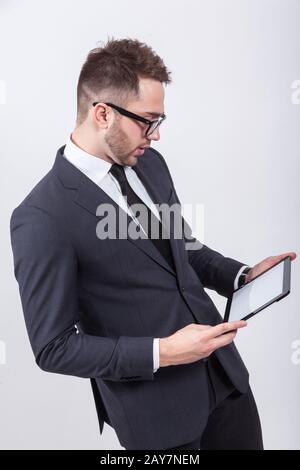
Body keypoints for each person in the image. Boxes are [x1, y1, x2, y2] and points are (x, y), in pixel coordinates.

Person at [10, 38, 296, 450]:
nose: (156, 136)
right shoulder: (41, 217)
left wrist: (241, 276)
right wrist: (164, 352)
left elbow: (180, 247)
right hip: (157, 418)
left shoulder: (149, 164)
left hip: (226, 382)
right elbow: (54, 348)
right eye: (148, 121)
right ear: (102, 113)